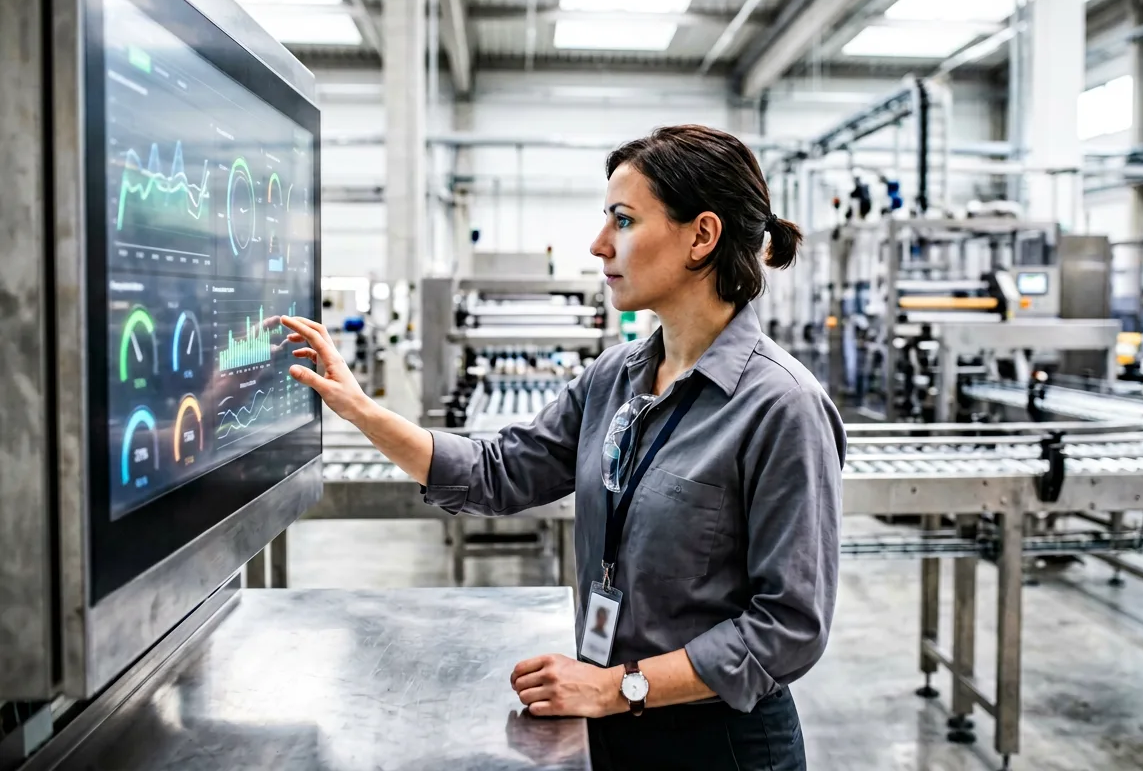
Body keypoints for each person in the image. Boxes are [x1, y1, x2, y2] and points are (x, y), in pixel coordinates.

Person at [281, 124, 846, 771]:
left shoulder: (781, 407)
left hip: (718, 742)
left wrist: (616, 686)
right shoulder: (614, 377)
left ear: (702, 236)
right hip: (609, 721)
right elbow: (498, 473)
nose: (599, 243)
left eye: (624, 220)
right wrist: (360, 409)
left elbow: (789, 628)